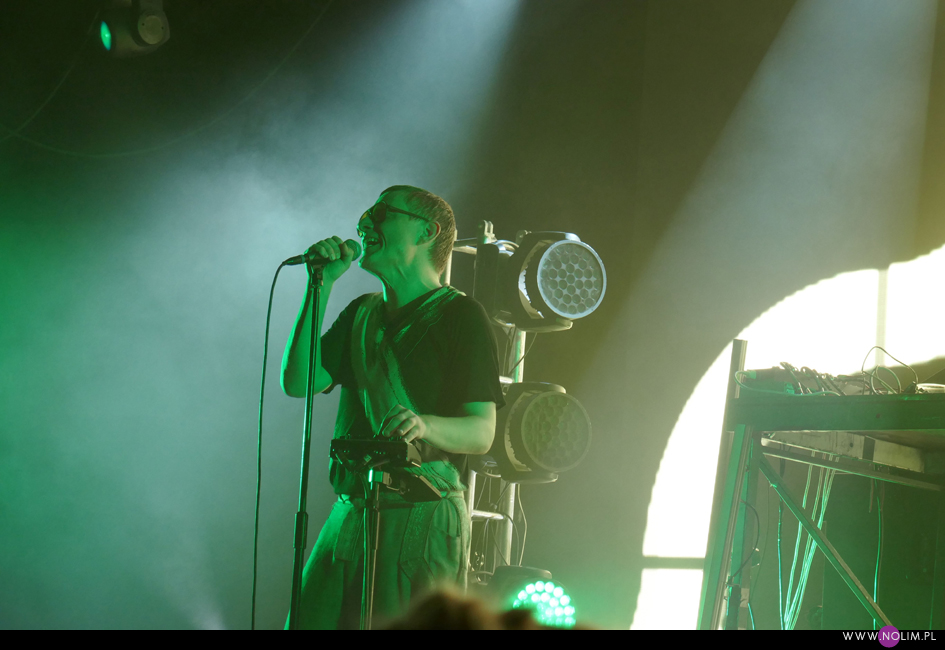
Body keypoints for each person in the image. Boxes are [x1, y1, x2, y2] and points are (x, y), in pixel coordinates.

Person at [281, 185, 505, 629]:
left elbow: (482, 432)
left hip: (422, 515)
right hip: (352, 510)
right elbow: (298, 381)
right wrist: (320, 286)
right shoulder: (361, 314)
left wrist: (425, 425)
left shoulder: (461, 316)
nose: (364, 221)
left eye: (382, 212)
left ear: (427, 232)